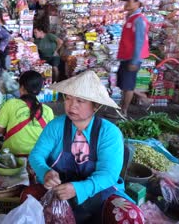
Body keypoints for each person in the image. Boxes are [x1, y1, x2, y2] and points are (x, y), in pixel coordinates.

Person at [27, 70, 144, 224]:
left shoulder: (109, 133)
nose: (71, 105)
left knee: (130, 216)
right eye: (68, 98)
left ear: (95, 106)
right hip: (59, 191)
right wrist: (45, 172)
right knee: (27, 198)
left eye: (80, 101)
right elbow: (36, 155)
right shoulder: (56, 126)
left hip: (100, 194)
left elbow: (109, 174)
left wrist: (78, 189)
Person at [0, 71, 54, 156]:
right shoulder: (48, 111)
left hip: (11, 155)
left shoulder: (11, 104)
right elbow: (50, 138)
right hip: (38, 157)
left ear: (22, 88)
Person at [116, 0, 152, 117]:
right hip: (126, 56)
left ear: (137, 3)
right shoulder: (131, 18)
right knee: (124, 84)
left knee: (127, 85)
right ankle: (143, 98)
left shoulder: (139, 20)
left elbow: (140, 41)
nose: (126, 3)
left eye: (129, 1)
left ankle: (123, 112)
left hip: (131, 57)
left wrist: (135, 60)